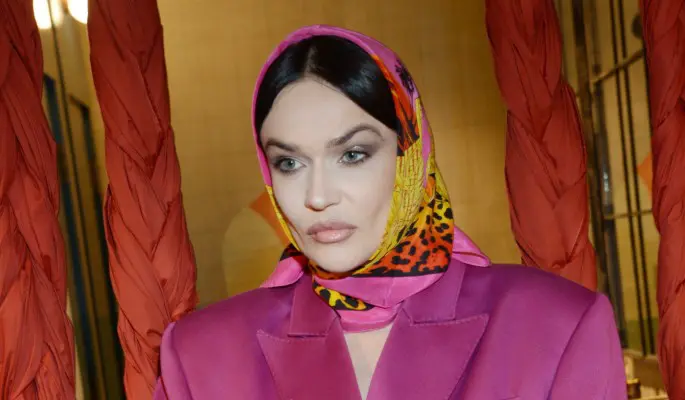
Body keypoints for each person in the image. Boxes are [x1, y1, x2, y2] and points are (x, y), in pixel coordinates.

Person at [153, 25, 626, 399]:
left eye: (352, 154)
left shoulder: (555, 328)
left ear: (409, 156)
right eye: (289, 163)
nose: (317, 196)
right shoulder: (199, 356)